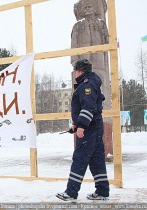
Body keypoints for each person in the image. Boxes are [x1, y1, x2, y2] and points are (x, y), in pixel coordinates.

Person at [56, 59, 109, 202]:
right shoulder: (89, 83)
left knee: (80, 158)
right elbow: (85, 107)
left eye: (75, 71)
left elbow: (88, 106)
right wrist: (76, 123)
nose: (74, 73)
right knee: (96, 159)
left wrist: (82, 126)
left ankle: (71, 192)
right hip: (94, 126)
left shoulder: (87, 84)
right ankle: (102, 191)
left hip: (90, 128)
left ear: (80, 71)